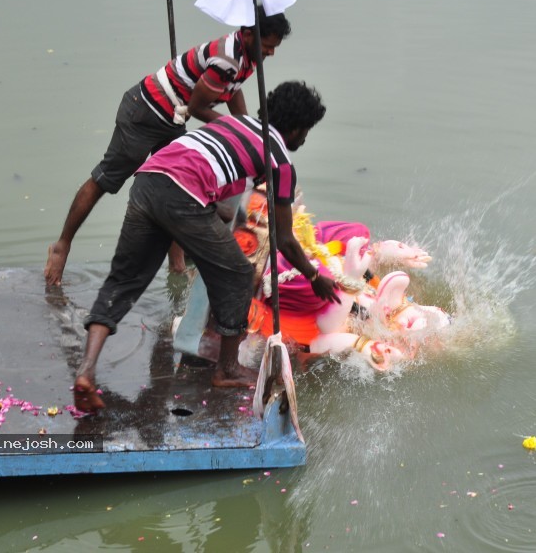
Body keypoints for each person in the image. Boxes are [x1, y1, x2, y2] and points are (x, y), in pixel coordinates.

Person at [73, 80, 339, 412]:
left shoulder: (231, 123)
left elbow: (213, 180)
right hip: (182, 197)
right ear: (298, 128)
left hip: (147, 182)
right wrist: (314, 277)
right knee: (239, 273)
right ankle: (227, 369)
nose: (305, 138)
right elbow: (284, 239)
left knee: (124, 280)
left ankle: (86, 371)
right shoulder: (280, 162)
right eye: (307, 131)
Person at [44, 7, 292, 287]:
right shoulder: (227, 60)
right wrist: (237, 131)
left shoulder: (248, 57)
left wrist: (245, 125)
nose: (271, 52)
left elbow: (233, 89)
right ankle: (62, 246)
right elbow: (197, 108)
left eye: (274, 47)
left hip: (172, 117)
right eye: (267, 45)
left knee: (177, 184)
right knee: (106, 180)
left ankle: (177, 263)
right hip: (145, 112)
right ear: (247, 34)